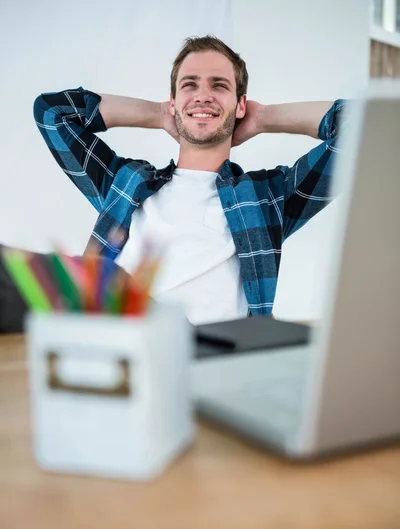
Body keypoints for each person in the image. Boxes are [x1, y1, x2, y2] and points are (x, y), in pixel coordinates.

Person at [2, 35, 347, 331]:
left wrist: (264, 118)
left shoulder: (267, 198)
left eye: (220, 86)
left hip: (204, 362)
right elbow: (51, 113)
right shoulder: (126, 183)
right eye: (190, 85)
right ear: (173, 101)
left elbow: (360, 129)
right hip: (115, 351)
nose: (203, 95)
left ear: (240, 104)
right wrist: (157, 114)